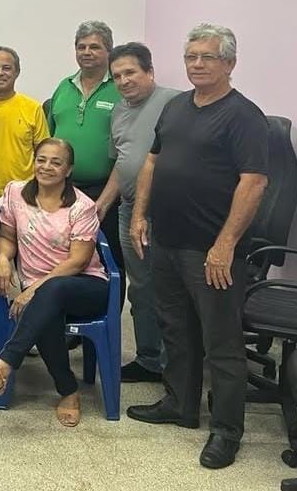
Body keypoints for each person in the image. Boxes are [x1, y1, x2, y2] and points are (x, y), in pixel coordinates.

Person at [126, 24, 268, 470]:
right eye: (191, 57)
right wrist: (139, 215)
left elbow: (253, 183)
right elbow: (152, 162)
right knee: (176, 328)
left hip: (211, 250)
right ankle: (180, 404)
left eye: (208, 57)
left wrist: (225, 245)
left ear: (230, 63)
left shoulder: (244, 116)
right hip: (166, 240)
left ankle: (226, 430)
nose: (197, 64)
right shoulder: (176, 107)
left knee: (221, 342)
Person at [0, 138, 107, 427]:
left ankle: (2, 366)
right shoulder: (16, 192)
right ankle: (68, 391)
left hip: (84, 286)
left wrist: (33, 289)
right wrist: (2, 258)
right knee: (46, 311)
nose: (47, 167)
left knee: (51, 291)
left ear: (68, 170)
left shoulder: (82, 206)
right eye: (41, 160)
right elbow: (7, 236)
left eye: (56, 162)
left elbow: (78, 261)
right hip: (40, 292)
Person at [92, 43, 180, 384]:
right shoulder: (118, 111)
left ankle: (176, 366)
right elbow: (123, 162)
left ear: (150, 72)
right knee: (140, 288)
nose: (124, 81)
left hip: (166, 211)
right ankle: (148, 359)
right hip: (129, 209)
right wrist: (102, 203)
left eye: (130, 72)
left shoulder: (175, 104)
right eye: (117, 76)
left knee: (169, 290)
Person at [48, 21, 124, 305]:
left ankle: (108, 323)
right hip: (65, 191)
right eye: (82, 47)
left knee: (109, 259)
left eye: (95, 47)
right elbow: (51, 136)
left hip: (106, 192)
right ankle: (71, 316)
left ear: (109, 51)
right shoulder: (64, 86)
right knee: (65, 257)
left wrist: (104, 201)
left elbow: (127, 151)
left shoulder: (120, 88)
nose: (87, 52)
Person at [0, 46, 49, 264]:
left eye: (6, 68)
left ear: (17, 72)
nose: (0, 73)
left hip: (25, 200)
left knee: (29, 263)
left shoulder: (32, 108)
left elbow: (44, 154)